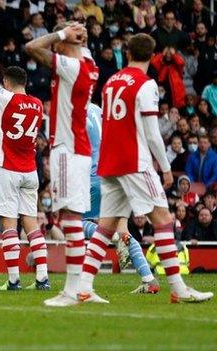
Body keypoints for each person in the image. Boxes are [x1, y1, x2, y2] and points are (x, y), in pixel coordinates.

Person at [77, 33, 212, 305]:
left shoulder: (111, 82)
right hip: (133, 162)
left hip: (109, 164)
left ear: (127, 53)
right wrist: (164, 167)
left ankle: (84, 287)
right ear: (152, 57)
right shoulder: (146, 84)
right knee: (162, 220)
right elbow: (151, 132)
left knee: (104, 228)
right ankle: (178, 288)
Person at [0, 25, 50, 291]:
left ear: (7, 83)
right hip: (31, 171)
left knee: (9, 225)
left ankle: (14, 280)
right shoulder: (38, 105)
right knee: (32, 224)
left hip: (8, 169)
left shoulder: (6, 99)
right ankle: (42, 277)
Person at [25, 22, 99, 306]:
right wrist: (74, 34)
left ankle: (71, 291)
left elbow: (32, 47)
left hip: (67, 150)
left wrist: (61, 34)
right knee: (74, 219)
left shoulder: (72, 67)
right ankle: (84, 288)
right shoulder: (89, 61)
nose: (54, 46)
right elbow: (80, 42)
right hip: (79, 149)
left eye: (58, 43)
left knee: (69, 220)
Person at [82, 102, 161, 294]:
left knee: (75, 223)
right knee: (123, 231)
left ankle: (114, 238)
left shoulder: (75, 112)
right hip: (116, 174)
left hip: (93, 176)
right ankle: (148, 279)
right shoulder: (100, 111)